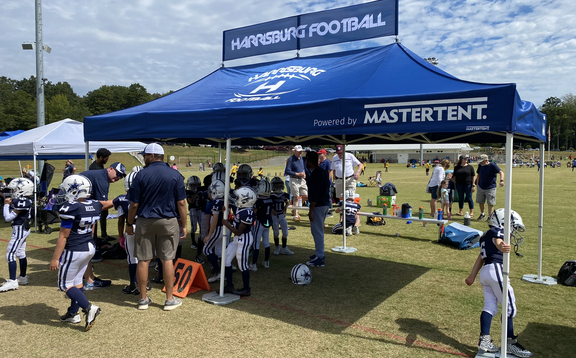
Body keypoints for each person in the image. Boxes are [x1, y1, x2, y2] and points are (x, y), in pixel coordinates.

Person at [126, 143, 187, 311]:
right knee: (167, 259)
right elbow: (181, 203)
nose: (143, 158)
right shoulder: (175, 175)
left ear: (152, 156)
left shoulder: (140, 175)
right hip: (168, 220)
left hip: (145, 221)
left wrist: (129, 223)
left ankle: (143, 299)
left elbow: (134, 204)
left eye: (145, 155)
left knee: (143, 260)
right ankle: (169, 299)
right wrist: (185, 224)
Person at [465, 209, 533, 357]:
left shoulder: (485, 236)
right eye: (513, 226)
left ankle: (485, 339)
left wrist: (472, 275)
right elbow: (498, 240)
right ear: (503, 223)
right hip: (496, 269)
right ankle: (510, 343)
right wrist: (501, 245)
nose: (514, 231)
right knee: (510, 306)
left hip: (486, 272)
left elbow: (480, 257)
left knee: (490, 306)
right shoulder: (497, 232)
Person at [50, 174, 111, 331]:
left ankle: (88, 307)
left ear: (75, 190)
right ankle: (72, 313)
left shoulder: (71, 207)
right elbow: (105, 206)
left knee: (64, 284)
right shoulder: (95, 204)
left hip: (75, 249)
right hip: (89, 247)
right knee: (77, 282)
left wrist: (55, 258)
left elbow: (63, 236)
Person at [221, 186, 257, 297]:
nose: (236, 200)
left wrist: (227, 224)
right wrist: (227, 216)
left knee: (242, 265)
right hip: (238, 239)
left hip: (244, 239)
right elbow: (236, 221)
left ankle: (246, 289)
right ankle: (230, 285)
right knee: (226, 259)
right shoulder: (242, 209)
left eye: (238, 198)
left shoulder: (248, 213)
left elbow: (238, 231)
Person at [0, 178, 34, 292]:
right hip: (23, 228)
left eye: (15, 189)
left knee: (10, 255)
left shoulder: (21, 201)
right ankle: (23, 277)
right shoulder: (25, 200)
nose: (13, 191)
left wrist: (6, 205)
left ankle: (12, 281)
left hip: (20, 229)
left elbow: (8, 218)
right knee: (20, 252)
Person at [305, 151, 331, 267]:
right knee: (317, 230)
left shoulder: (315, 174)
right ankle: (318, 254)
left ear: (309, 161)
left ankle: (320, 257)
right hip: (325, 203)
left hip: (319, 205)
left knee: (317, 231)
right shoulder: (322, 171)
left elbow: (314, 194)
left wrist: (311, 210)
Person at [89, 148, 112, 241]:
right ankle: (94, 237)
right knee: (96, 215)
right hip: (95, 196)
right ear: (101, 157)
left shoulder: (100, 165)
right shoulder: (94, 168)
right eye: (106, 158)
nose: (107, 160)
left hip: (101, 194)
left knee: (104, 213)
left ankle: (104, 234)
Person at [250, 179, 273, 270]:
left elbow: (254, 212)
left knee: (256, 243)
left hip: (259, 222)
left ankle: (254, 264)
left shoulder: (258, 201)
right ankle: (266, 262)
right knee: (266, 242)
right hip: (267, 222)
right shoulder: (270, 199)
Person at [475, 154, 504, 220]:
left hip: (490, 187)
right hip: (481, 186)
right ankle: (482, 214)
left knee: (490, 203)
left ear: (486, 160)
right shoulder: (480, 165)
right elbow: (479, 174)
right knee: (480, 201)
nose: (480, 162)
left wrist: (501, 180)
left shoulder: (493, 165)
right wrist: (477, 183)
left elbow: (501, 172)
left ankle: (490, 217)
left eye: (482, 161)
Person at [270, 177, 294, 255]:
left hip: (282, 215)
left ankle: (284, 248)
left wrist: (286, 207)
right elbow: (268, 204)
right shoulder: (271, 195)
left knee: (285, 232)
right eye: (276, 185)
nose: (278, 186)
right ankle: (277, 247)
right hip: (274, 217)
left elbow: (288, 201)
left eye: (279, 185)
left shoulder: (284, 195)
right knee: (276, 233)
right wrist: (271, 210)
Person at [284, 144, 308, 221]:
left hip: (302, 180)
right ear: (295, 151)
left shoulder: (302, 159)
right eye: (298, 152)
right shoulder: (291, 159)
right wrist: (297, 174)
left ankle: (295, 209)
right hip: (294, 179)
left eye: (301, 151)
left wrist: (304, 174)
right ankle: (295, 215)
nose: (300, 153)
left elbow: (304, 168)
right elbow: (287, 171)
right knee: (296, 197)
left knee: (305, 195)